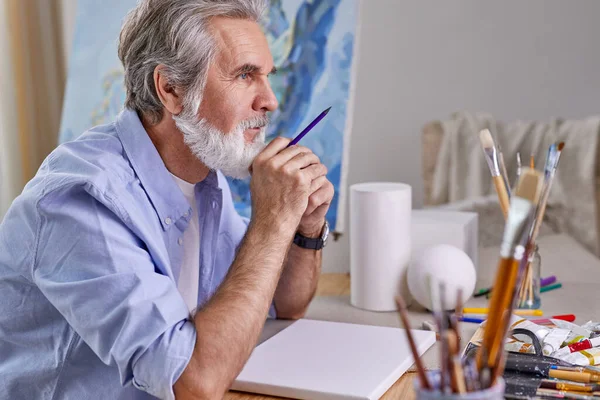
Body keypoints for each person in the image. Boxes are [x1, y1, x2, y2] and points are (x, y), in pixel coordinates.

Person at [0, 1, 334, 399]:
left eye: (267, 76)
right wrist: (273, 220)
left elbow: (283, 305)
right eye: (245, 75)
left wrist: (305, 227)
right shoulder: (80, 201)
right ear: (171, 89)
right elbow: (193, 383)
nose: (269, 101)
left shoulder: (205, 177)